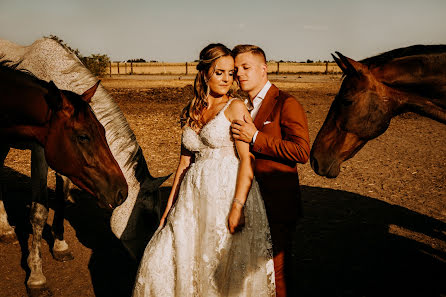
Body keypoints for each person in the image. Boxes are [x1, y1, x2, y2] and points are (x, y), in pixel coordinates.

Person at [133, 43, 275, 297]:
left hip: (226, 194)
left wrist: (238, 206)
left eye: (231, 73)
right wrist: (168, 210)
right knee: (166, 257)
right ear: (205, 73)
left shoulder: (235, 107)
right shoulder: (191, 110)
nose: (227, 79)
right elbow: (184, 164)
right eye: (220, 72)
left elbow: (246, 160)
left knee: (219, 269)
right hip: (192, 199)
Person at [231, 44, 310, 297]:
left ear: (264, 69)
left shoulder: (286, 102)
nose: (240, 74)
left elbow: (301, 151)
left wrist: (256, 137)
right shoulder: (242, 106)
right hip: (250, 202)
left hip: (277, 202)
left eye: (246, 67)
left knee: (276, 273)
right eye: (236, 70)